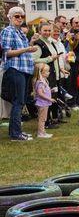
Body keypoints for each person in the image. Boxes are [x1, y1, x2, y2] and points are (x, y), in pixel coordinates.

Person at [1, 7, 38, 140]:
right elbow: (6, 53)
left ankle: (16, 132)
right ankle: (16, 134)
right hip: (15, 70)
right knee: (18, 101)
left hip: (25, 70)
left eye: (22, 16)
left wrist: (31, 43)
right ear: (10, 17)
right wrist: (26, 49)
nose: (20, 18)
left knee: (20, 102)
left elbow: (24, 50)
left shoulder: (20, 32)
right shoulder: (8, 31)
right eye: (17, 16)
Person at [33, 63, 53, 138]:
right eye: (47, 71)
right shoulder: (40, 82)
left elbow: (42, 91)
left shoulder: (43, 81)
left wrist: (50, 90)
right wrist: (49, 99)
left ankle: (42, 132)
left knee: (42, 118)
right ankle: (41, 133)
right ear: (41, 73)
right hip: (42, 103)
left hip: (44, 103)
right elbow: (40, 93)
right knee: (42, 119)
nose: (49, 72)